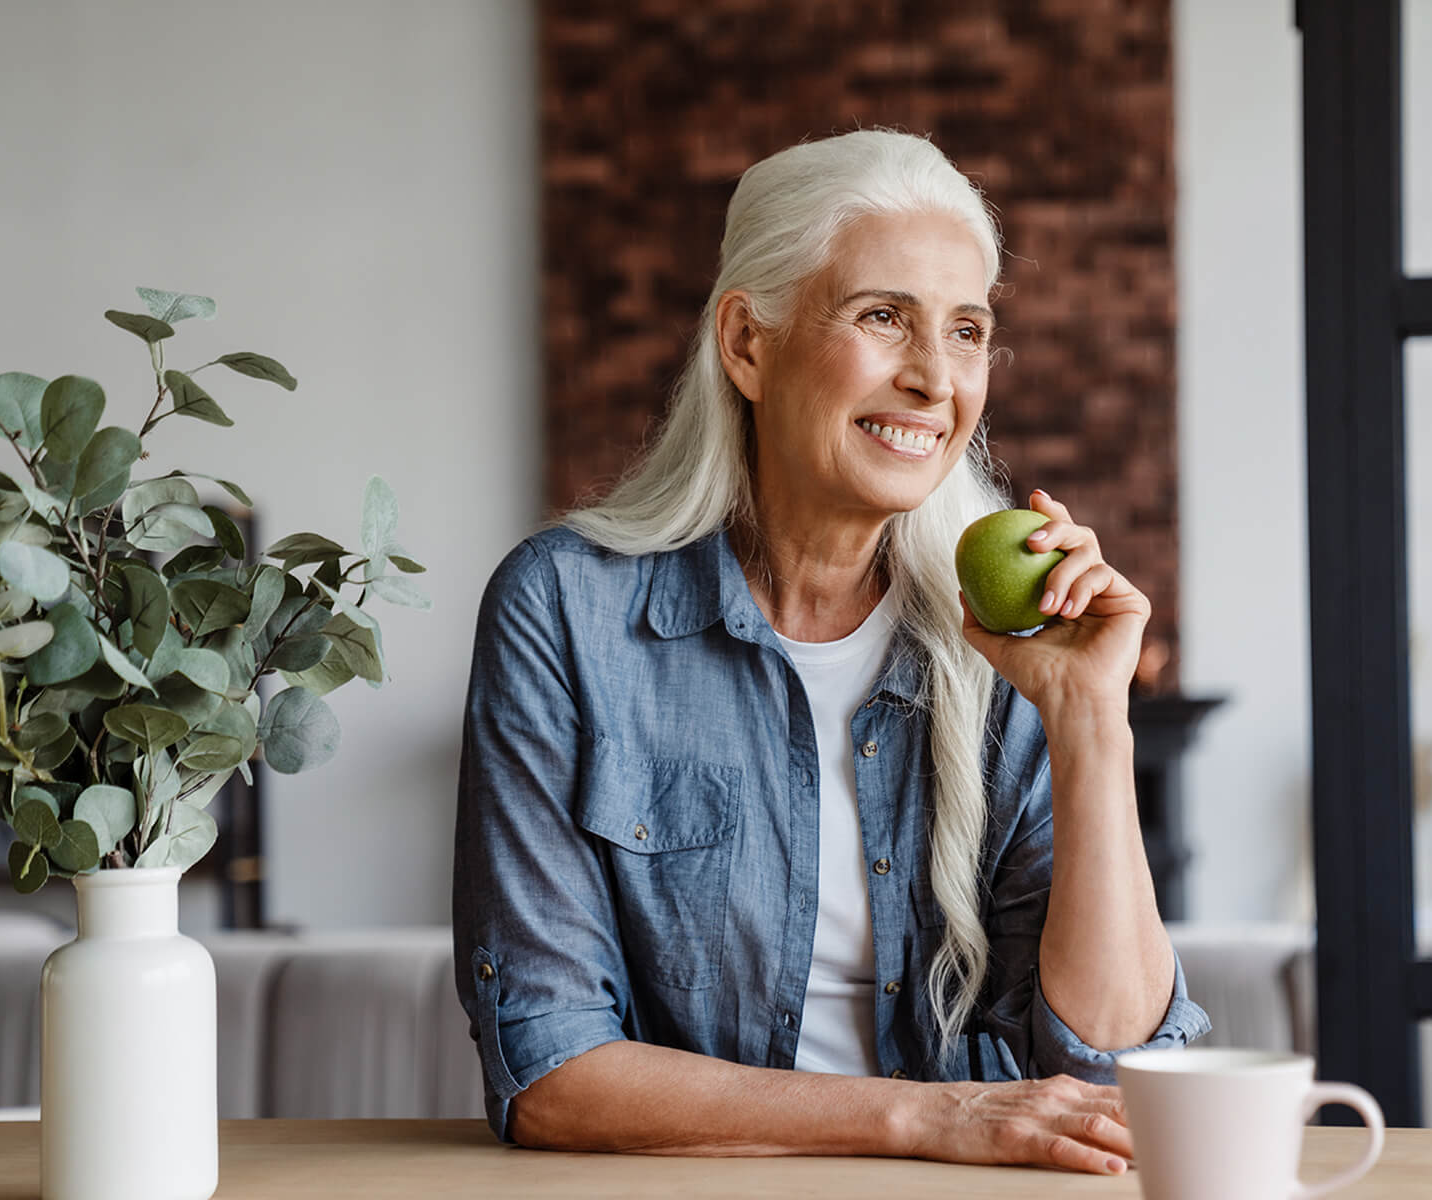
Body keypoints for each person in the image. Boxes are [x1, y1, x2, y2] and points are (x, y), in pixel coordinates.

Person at [454, 129, 1209, 1176]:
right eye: (882, 317)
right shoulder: (566, 612)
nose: (934, 379)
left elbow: (1120, 1070)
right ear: (746, 344)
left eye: (966, 330)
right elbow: (549, 1071)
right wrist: (927, 1119)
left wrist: (1090, 718)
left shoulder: (1011, 637)